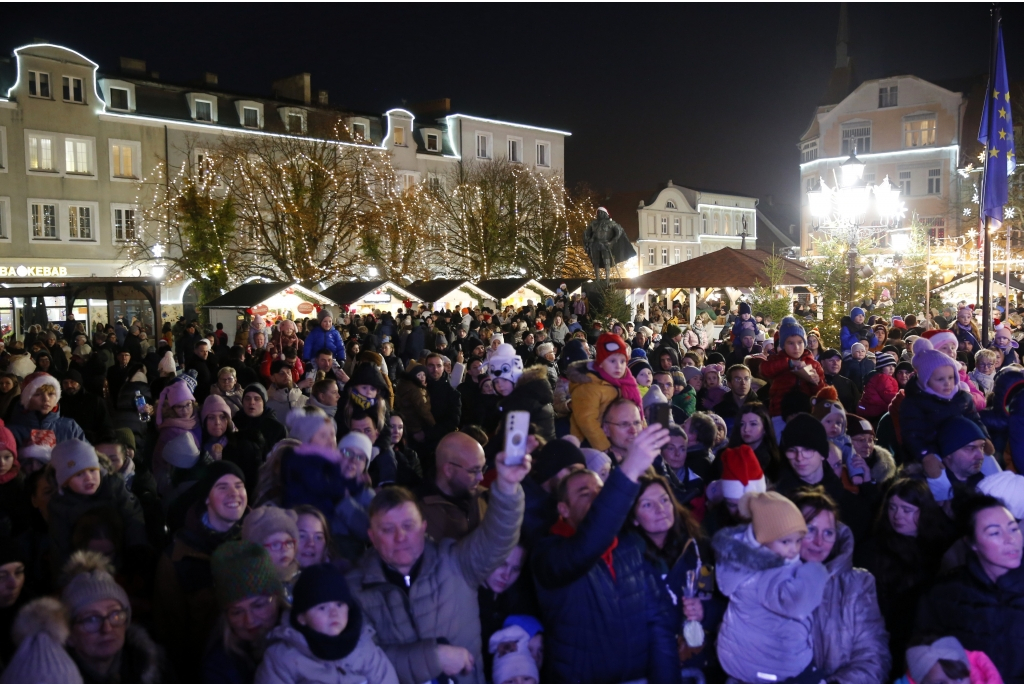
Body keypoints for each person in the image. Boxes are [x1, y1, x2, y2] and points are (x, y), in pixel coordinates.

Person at [346, 447, 530, 684]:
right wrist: (433, 658)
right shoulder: (356, 589)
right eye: (388, 529)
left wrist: (507, 488)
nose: (400, 537)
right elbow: (361, 660)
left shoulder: (455, 561)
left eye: (408, 526)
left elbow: (497, 539)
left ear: (423, 527)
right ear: (372, 536)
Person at [532, 424, 680, 684]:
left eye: (601, 492)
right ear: (563, 509)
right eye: (584, 493)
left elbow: (658, 622)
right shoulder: (549, 554)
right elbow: (587, 545)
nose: (596, 499)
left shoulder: (629, 547)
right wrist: (629, 470)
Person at [713, 491, 827, 684]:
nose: (793, 549)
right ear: (762, 540)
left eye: (798, 540)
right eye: (785, 541)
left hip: (741, 658)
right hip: (770, 665)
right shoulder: (769, 572)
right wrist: (815, 573)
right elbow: (797, 603)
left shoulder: (740, 564)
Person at [154, 461, 248, 680]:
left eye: (239, 486)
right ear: (206, 497)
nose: (234, 493)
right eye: (222, 487)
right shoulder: (178, 556)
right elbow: (169, 634)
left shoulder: (260, 541)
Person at [914, 493, 1024, 682]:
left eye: (1013, 529)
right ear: (971, 542)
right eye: (995, 533)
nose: (1010, 539)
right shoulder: (943, 595)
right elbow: (924, 656)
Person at [790, 487, 891, 683]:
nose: (819, 542)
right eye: (810, 530)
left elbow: (873, 658)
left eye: (828, 533)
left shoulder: (858, 585)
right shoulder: (767, 582)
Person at [629, 474, 720, 677]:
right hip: (651, 666)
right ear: (633, 518)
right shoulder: (627, 561)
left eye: (664, 500)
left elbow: (723, 604)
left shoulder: (699, 548)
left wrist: (704, 610)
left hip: (701, 661)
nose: (660, 509)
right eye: (647, 505)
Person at [865, 478, 955, 677]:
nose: (897, 516)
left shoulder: (942, 544)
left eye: (907, 510)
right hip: (893, 638)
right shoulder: (875, 549)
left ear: (924, 511)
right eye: (892, 507)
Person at [257, 562, 398, 683]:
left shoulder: (364, 647)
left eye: (339, 604)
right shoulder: (283, 658)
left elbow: (386, 679)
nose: (333, 613)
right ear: (302, 618)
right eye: (322, 608)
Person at [46, 440, 148, 579]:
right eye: (79, 474)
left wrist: (137, 547)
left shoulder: (114, 486)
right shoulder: (60, 506)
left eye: (93, 470)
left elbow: (132, 515)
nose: (88, 478)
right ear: (64, 482)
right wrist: (66, 578)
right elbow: (60, 547)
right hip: (84, 565)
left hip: (121, 555)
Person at [203, 541, 285, 683]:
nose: (249, 621)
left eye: (258, 605)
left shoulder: (307, 635)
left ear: (277, 599)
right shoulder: (219, 666)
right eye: (237, 612)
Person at [900, 337, 988, 464]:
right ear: (926, 381)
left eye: (951, 378)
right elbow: (913, 435)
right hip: (934, 455)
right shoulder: (914, 404)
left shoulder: (962, 398)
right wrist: (926, 456)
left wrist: (984, 437)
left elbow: (974, 420)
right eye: (940, 379)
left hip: (965, 448)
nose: (947, 383)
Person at [568, 333, 642, 451]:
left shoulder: (626, 383)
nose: (618, 366)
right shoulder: (588, 386)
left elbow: (636, 414)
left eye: (622, 361)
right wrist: (606, 449)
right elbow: (587, 421)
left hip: (619, 440)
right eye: (612, 361)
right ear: (601, 363)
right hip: (590, 445)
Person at [759, 317, 826, 417]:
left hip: (807, 413)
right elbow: (764, 370)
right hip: (779, 412)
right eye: (791, 343)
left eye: (800, 342)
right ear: (783, 345)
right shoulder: (777, 359)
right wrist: (789, 363)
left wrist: (817, 382)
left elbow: (822, 393)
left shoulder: (814, 364)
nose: (796, 347)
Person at [241, 505, 300, 603]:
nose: (284, 549)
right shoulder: (250, 586)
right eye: (275, 545)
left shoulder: (303, 578)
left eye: (289, 542)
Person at [713, 364, 759, 429]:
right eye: (738, 379)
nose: (743, 383)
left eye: (746, 378)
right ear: (729, 383)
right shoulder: (720, 409)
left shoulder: (759, 407)